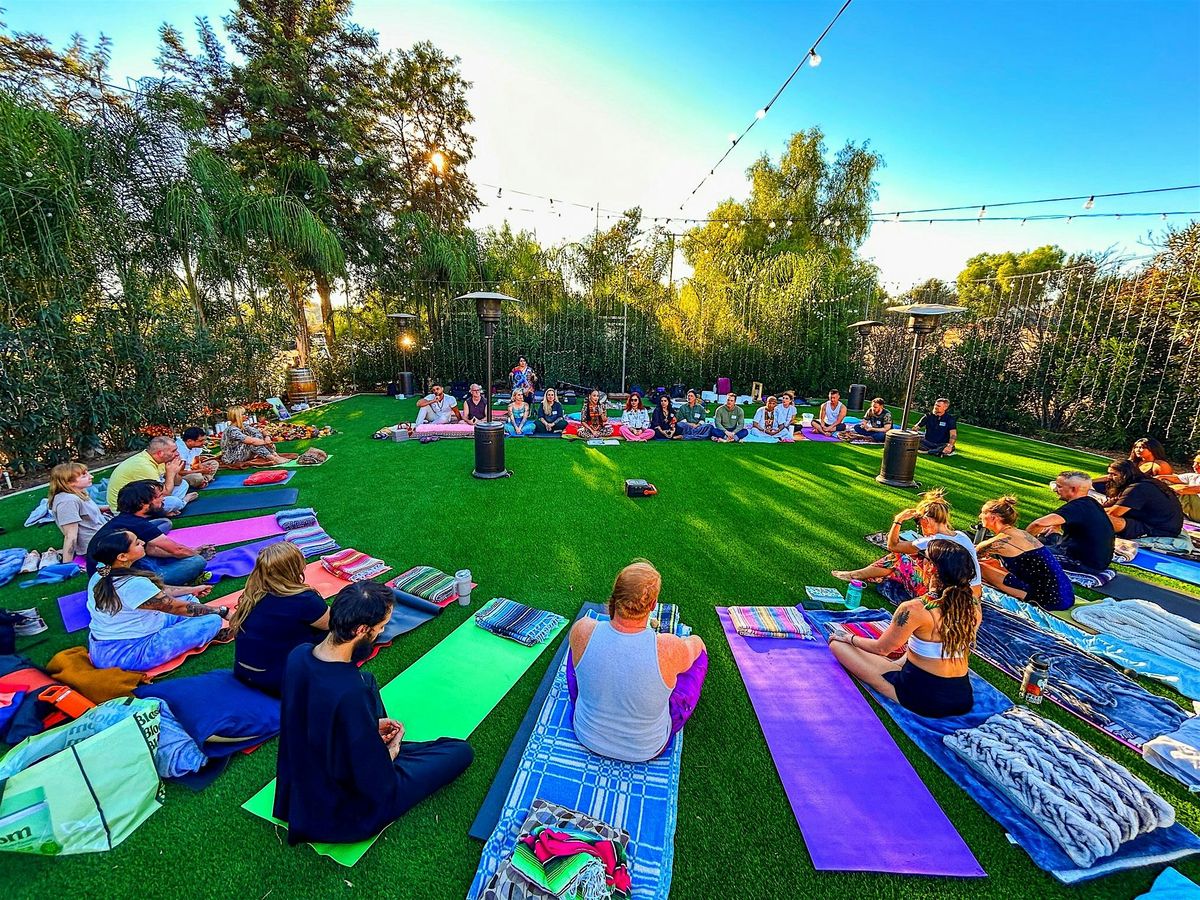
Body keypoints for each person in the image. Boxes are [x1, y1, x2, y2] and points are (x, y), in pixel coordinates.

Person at [273, 582, 473, 845]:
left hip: (299, 787)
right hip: (341, 811)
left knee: (367, 679)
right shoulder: (348, 692)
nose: (382, 632)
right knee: (458, 751)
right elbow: (373, 782)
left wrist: (367, 727)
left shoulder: (298, 656)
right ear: (361, 630)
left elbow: (307, 717)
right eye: (381, 627)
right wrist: (390, 752)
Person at [568, 560, 707, 762]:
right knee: (698, 659)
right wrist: (692, 641)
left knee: (576, 657)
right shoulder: (668, 647)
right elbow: (697, 646)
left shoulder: (583, 629)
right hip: (645, 749)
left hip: (586, 734)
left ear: (615, 596)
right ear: (652, 605)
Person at [829, 542, 980, 718]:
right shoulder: (972, 606)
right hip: (962, 697)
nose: (918, 563)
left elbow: (882, 648)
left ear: (931, 568)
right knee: (899, 658)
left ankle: (889, 670)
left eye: (923, 559)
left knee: (836, 644)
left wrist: (848, 637)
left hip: (925, 700)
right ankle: (895, 667)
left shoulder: (915, 609)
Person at [86, 530, 227, 671]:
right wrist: (222, 611)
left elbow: (158, 593)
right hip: (125, 653)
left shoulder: (101, 574)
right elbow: (178, 608)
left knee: (189, 599)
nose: (142, 542)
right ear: (122, 556)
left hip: (107, 646)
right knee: (212, 620)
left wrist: (192, 589)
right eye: (136, 543)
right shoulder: (132, 584)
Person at [833, 488, 982, 602]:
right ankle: (863, 575)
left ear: (927, 521)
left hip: (944, 597)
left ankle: (857, 575)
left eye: (917, 522)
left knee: (899, 557)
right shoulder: (962, 536)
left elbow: (892, 545)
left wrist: (898, 520)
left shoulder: (930, 541)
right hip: (972, 594)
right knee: (912, 558)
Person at [231, 542, 330, 696]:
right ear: (294, 568)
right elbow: (334, 623)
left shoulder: (252, 596)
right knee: (342, 634)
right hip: (276, 682)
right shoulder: (305, 599)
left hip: (243, 673)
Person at [88, 481, 212, 583]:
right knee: (197, 561)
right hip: (120, 580)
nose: (164, 499)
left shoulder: (124, 519)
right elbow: (177, 549)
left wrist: (187, 552)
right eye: (159, 497)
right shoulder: (137, 524)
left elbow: (152, 550)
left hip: (125, 566)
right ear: (143, 503)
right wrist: (194, 553)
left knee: (165, 537)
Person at [976, 497, 1074, 611]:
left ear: (993, 518)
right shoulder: (1021, 533)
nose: (980, 516)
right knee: (991, 562)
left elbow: (971, 555)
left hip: (1049, 599)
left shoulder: (1000, 541)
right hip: (1065, 594)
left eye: (983, 513)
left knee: (980, 567)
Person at [1028, 470, 1116, 573]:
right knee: (1045, 535)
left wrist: (1021, 541)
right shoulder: (1091, 502)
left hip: (1083, 563)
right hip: (1096, 559)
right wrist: (1055, 526)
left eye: (1059, 487)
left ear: (1073, 489)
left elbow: (1038, 524)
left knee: (1023, 551)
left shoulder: (1075, 507)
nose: (1056, 489)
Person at [107, 435, 197, 514]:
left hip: (145, 498)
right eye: (173, 451)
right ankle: (184, 502)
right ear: (160, 453)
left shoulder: (158, 459)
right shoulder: (143, 465)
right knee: (174, 502)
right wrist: (170, 473)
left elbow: (178, 483)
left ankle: (167, 510)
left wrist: (175, 470)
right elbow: (164, 494)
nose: (177, 453)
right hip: (128, 510)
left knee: (184, 484)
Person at [1102, 458, 1185, 539]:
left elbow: (1113, 513)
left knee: (1103, 518)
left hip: (1160, 531)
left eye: (1114, 475)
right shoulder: (1143, 482)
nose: (1109, 477)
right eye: (1109, 474)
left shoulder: (1139, 487)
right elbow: (1113, 503)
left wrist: (1091, 510)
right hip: (1162, 525)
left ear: (1125, 475)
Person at [49, 462, 110, 562]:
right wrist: (67, 565)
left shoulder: (78, 493)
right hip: (97, 544)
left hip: (103, 533)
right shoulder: (67, 502)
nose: (91, 476)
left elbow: (88, 510)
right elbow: (70, 535)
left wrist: (112, 507)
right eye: (84, 475)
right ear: (68, 482)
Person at [221, 406, 295, 468]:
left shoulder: (243, 426)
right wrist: (266, 443)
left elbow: (260, 431)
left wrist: (267, 437)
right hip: (232, 457)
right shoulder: (232, 430)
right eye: (244, 414)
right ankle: (273, 458)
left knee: (257, 436)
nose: (247, 415)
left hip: (241, 453)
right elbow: (251, 441)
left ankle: (275, 455)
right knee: (253, 443)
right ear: (238, 416)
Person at [1160, 452, 1200, 523]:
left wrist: (1165, 488)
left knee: (1185, 490)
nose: (1195, 466)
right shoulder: (1194, 476)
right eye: (1195, 463)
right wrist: (1160, 477)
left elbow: (1185, 489)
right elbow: (1176, 478)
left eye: (1199, 464)